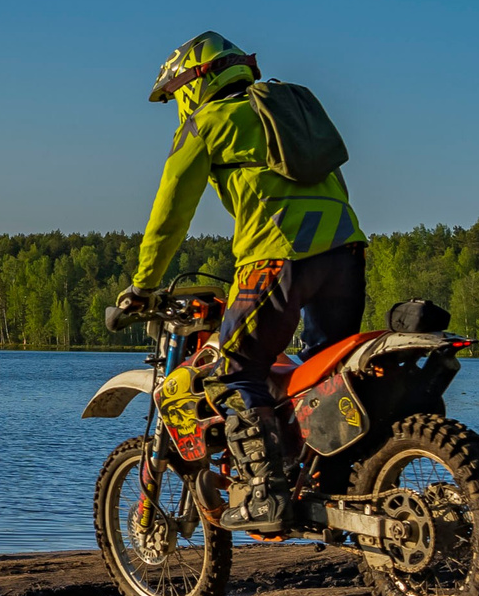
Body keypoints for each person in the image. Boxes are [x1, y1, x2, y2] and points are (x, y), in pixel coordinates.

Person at [117, 31, 366, 534]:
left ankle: (264, 493)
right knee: (327, 378)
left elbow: (170, 212)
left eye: (175, 97)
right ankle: (339, 483)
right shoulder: (286, 108)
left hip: (276, 258)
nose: (177, 108)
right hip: (346, 254)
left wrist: (142, 287)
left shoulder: (207, 122)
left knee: (230, 373)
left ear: (192, 83)